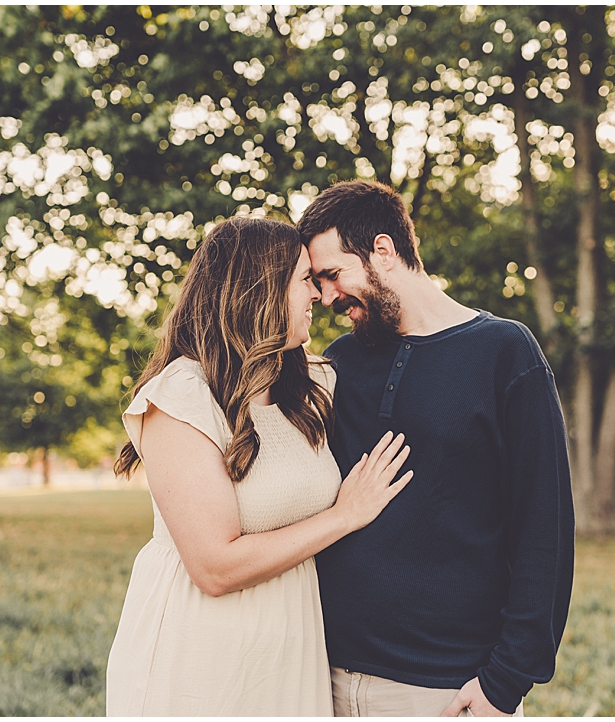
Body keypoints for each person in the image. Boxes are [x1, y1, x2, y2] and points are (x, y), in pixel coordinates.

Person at [106, 216, 413, 716]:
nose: (318, 294)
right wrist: (344, 515)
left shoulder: (308, 386)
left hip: (291, 645)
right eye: (304, 281)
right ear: (260, 291)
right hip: (201, 651)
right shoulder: (182, 395)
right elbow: (214, 567)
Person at [296, 181, 575, 717]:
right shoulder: (339, 363)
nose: (326, 297)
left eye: (333, 275)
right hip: (321, 676)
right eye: (317, 282)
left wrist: (505, 682)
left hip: (444, 689)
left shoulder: (504, 353)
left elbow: (545, 529)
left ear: (383, 250)